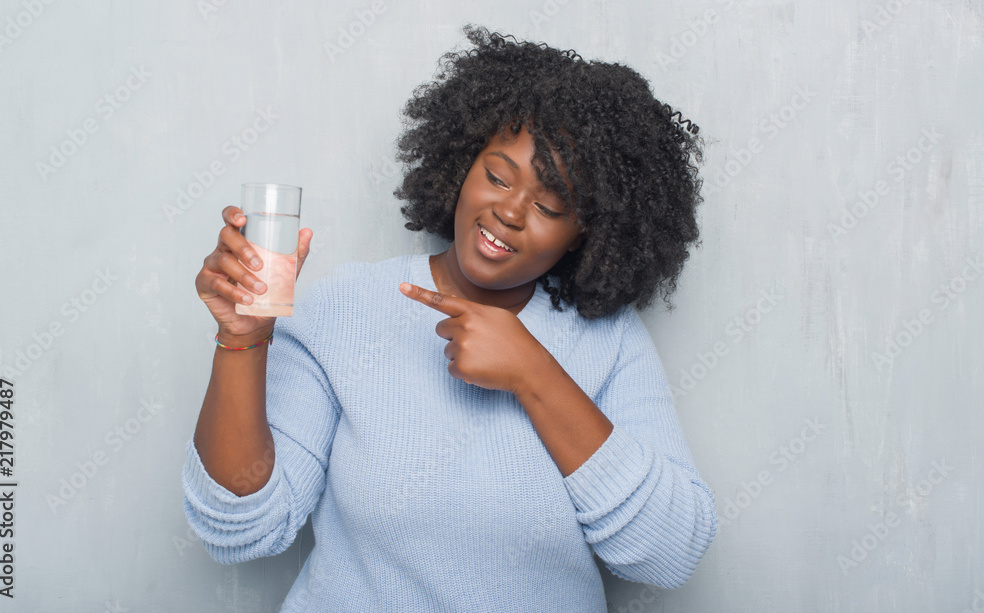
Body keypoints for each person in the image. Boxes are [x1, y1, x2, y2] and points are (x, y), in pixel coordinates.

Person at [184, 24, 717, 612]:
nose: (509, 212)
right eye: (495, 176)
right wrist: (243, 341)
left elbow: (671, 553)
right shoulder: (346, 307)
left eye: (548, 206)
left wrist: (533, 373)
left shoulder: (608, 340)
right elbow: (240, 529)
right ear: (461, 165)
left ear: (583, 234)